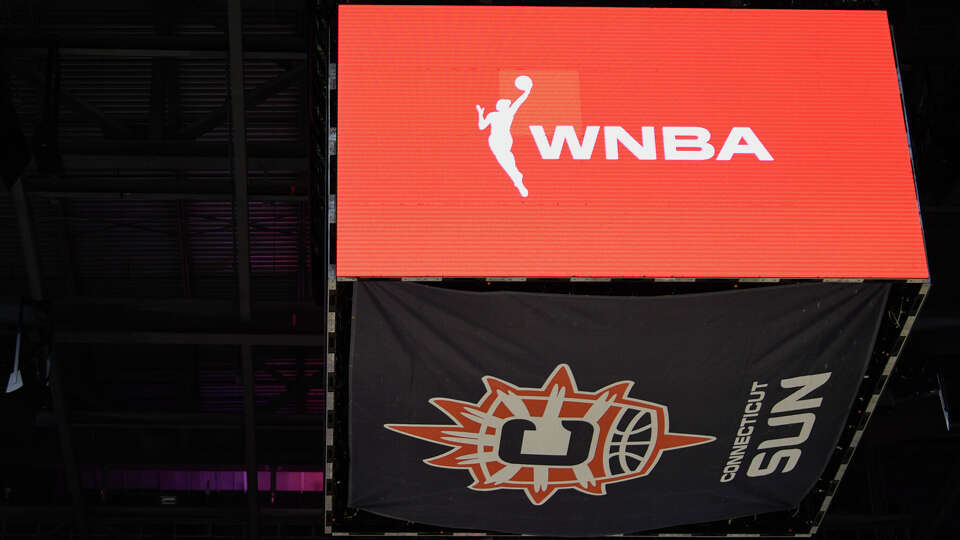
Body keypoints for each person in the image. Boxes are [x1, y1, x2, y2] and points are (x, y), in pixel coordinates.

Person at [476, 77, 531, 197]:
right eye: (503, 104)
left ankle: (517, 178)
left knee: (508, 160)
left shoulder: (508, 113)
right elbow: (481, 127)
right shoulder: (493, 115)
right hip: (495, 141)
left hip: (505, 140)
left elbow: (519, 102)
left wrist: (527, 91)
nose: (507, 105)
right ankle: (518, 180)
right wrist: (480, 114)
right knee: (507, 161)